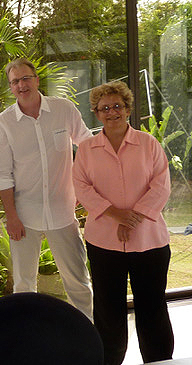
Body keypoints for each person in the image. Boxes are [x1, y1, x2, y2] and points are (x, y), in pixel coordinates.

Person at [73, 81, 174, 365]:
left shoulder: (148, 144)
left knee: (152, 307)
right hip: (103, 243)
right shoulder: (87, 149)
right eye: (104, 108)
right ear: (96, 113)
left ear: (128, 109)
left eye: (117, 106)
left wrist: (134, 217)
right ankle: (108, 360)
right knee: (108, 311)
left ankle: (159, 360)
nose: (111, 112)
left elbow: (161, 185)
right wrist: (116, 214)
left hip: (149, 241)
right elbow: (82, 187)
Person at [0, 58, 94, 320]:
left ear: (37, 80)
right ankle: (28, 335)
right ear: (11, 87)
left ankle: (88, 333)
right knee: (24, 285)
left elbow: (87, 145)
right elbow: (3, 174)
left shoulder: (64, 109)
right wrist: (12, 217)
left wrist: (84, 189)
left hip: (63, 212)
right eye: (15, 81)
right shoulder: (4, 122)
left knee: (78, 280)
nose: (21, 85)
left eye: (26, 78)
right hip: (24, 216)